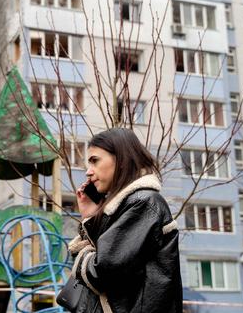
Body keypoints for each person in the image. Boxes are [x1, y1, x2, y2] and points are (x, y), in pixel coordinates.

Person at [59, 128, 183, 313]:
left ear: (121, 159)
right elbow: (112, 261)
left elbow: (103, 272)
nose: (88, 171)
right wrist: (91, 217)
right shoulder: (130, 206)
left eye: (95, 160)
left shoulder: (143, 203)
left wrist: (83, 251)